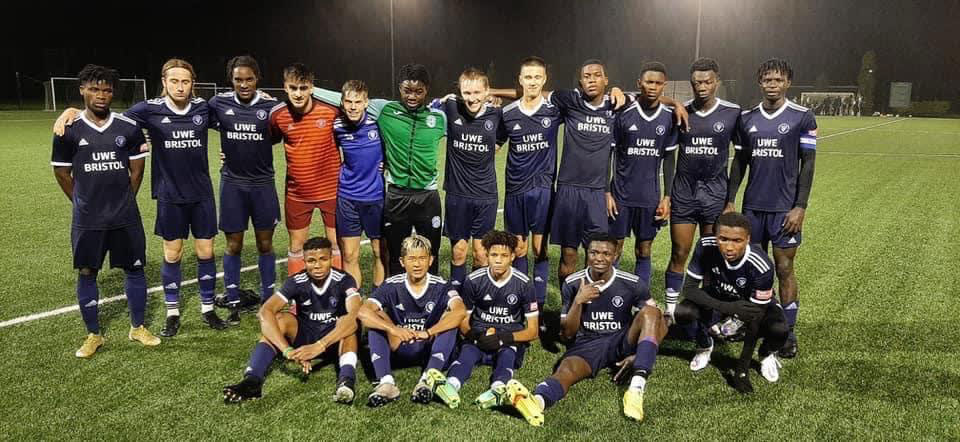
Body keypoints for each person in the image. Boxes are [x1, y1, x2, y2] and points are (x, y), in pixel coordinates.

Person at [52, 59, 227, 337]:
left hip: (202, 193)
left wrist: (229, 153)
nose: (180, 87)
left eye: (185, 81)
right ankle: (172, 313)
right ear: (164, 82)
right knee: (173, 253)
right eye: (174, 81)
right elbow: (109, 116)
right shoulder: (148, 110)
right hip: (170, 194)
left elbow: (236, 121)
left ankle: (208, 309)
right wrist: (71, 110)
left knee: (206, 252)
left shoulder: (203, 108)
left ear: (193, 83)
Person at [51, 64, 160, 358]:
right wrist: (82, 202)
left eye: (107, 89)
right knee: (87, 272)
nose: (101, 95)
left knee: (135, 268)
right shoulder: (68, 130)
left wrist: (125, 199)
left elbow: (137, 170)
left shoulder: (128, 127)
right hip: (88, 220)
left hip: (125, 216)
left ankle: (138, 327)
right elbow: (62, 173)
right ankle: (93, 335)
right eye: (95, 89)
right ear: (82, 90)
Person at [506, 233, 667, 425]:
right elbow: (567, 335)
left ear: (616, 255)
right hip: (586, 343)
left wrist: (639, 355)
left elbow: (660, 320)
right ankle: (537, 402)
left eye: (606, 254)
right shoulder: (573, 283)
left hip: (622, 340)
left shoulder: (632, 283)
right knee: (566, 370)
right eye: (594, 253)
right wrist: (578, 302)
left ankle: (636, 389)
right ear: (586, 254)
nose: (599, 258)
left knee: (650, 311)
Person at [312, 64, 446, 276]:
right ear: (399, 88)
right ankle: (395, 301)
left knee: (431, 251)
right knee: (394, 253)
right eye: (407, 90)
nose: (412, 96)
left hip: (427, 195)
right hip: (396, 194)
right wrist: (310, 89)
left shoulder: (439, 117)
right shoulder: (385, 109)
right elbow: (347, 98)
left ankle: (431, 299)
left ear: (427, 90)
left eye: (418, 91)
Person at [726, 58, 817, 358]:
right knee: (753, 272)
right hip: (753, 208)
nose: (772, 85)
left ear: (788, 83)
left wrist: (800, 206)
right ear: (760, 83)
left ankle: (786, 333)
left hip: (784, 210)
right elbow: (739, 163)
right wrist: (730, 199)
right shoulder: (747, 118)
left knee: (784, 269)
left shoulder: (802, 117)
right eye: (767, 80)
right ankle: (751, 321)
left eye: (778, 80)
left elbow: (808, 165)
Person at [222, 237, 362, 403]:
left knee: (349, 326)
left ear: (332, 259)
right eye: (311, 260)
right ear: (304, 261)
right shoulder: (296, 281)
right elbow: (265, 311)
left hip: (334, 339)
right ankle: (252, 381)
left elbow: (354, 316)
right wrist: (287, 350)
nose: (317, 265)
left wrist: (319, 346)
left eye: (323, 259)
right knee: (278, 319)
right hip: (305, 335)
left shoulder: (344, 280)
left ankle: (346, 381)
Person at [668, 212, 788, 393]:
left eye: (737, 241)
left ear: (748, 239)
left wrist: (742, 370)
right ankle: (704, 346)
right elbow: (690, 289)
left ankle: (766, 354)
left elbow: (755, 317)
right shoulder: (705, 245)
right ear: (715, 235)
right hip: (721, 298)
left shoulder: (762, 265)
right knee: (682, 312)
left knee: (779, 330)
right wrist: (727, 308)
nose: (729, 247)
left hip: (752, 306)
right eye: (723, 239)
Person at [663, 58, 742, 322]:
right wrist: (673, 102)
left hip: (715, 197)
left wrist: (731, 199)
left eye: (708, 81)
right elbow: (647, 100)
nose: (702, 87)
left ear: (717, 82)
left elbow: (741, 158)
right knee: (679, 252)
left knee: (711, 256)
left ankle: (709, 313)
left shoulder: (732, 113)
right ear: (691, 83)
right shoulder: (681, 111)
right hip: (684, 195)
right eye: (697, 82)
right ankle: (671, 310)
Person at [208, 55, 282, 323]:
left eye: (249, 79)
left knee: (265, 243)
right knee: (233, 244)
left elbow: (280, 133)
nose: (244, 84)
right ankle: (233, 298)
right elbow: (190, 115)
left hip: (263, 185)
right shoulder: (218, 103)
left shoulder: (272, 106)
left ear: (257, 79)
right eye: (238, 79)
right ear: (231, 80)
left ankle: (268, 297)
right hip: (233, 185)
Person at [357, 234, 466, 407]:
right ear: (402, 261)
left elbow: (460, 311)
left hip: (429, 346)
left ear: (430, 260)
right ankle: (386, 383)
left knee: (451, 321)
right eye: (412, 259)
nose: (417, 264)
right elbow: (363, 312)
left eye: (422, 258)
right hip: (400, 344)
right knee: (374, 320)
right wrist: (393, 329)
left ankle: (427, 379)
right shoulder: (391, 284)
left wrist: (430, 331)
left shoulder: (441, 285)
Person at [439, 230, 539, 410]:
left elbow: (533, 331)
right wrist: (475, 336)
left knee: (507, 355)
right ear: (486, 255)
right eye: (494, 255)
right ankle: (451, 385)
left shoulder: (524, 284)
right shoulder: (473, 280)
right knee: (467, 354)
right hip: (479, 333)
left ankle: (498, 389)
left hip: (509, 336)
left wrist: (503, 338)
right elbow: (463, 319)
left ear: (513, 257)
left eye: (504, 255)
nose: (498, 260)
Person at [432, 67, 506, 286]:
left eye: (476, 93)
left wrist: (497, 145)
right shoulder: (451, 107)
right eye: (466, 93)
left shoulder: (497, 113)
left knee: (481, 254)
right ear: (459, 92)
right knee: (459, 252)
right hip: (457, 194)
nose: (471, 98)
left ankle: (475, 299)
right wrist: (441, 100)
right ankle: (458, 297)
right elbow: (426, 110)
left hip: (486, 195)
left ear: (486, 92)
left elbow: (502, 136)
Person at [268, 63, 343, 277]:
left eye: (303, 88)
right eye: (293, 88)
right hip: (298, 194)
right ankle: (297, 298)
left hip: (332, 191)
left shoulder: (331, 111)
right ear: (285, 87)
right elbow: (261, 143)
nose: (298, 94)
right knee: (297, 247)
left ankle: (336, 294)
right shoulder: (278, 115)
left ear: (312, 87)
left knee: (336, 244)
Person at [607, 61, 678, 287]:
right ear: (639, 83)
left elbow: (669, 159)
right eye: (649, 82)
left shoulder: (668, 117)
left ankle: (640, 296)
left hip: (649, 197)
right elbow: (608, 154)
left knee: (644, 248)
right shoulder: (623, 113)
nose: (653, 87)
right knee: (614, 247)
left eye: (658, 83)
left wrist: (667, 197)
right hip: (620, 194)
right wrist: (606, 191)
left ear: (664, 85)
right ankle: (611, 293)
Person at [499, 56, 561, 308]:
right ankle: (524, 302)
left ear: (544, 79)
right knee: (520, 248)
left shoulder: (554, 110)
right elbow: (493, 145)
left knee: (540, 248)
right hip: (515, 188)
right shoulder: (508, 113)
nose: (533, 81)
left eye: (537, 77)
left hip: (543, 188)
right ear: (520, 79)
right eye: (528, 77)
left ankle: (539, 302)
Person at [333, 80, 386, 290]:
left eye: (358, 101)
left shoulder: (378, 123)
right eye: (348, 101)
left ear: (366, 103)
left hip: (376, 197)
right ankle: (353, 303)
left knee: (379, 252)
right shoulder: (336, 126)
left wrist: (387, 163)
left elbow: (394, 146)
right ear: (342, 103)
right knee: (349, 254)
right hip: (347, 198)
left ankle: (378, 301)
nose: (353, 106)